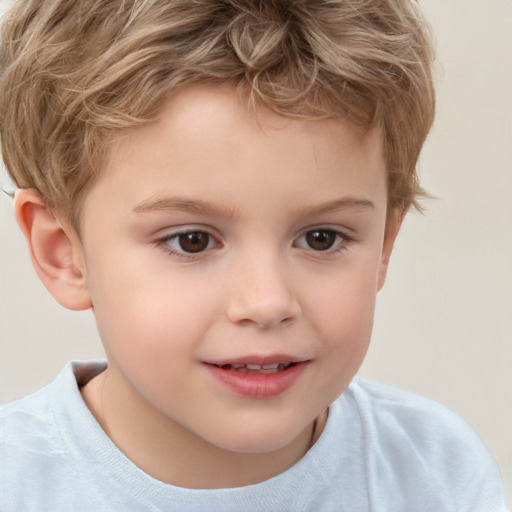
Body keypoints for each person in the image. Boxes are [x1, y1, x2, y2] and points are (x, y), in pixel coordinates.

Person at [0, 0, 508, 510]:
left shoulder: (437, 475)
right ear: (64, 252)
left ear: (383, 245)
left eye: (321, 238)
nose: (266, 303)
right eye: (191, 240)